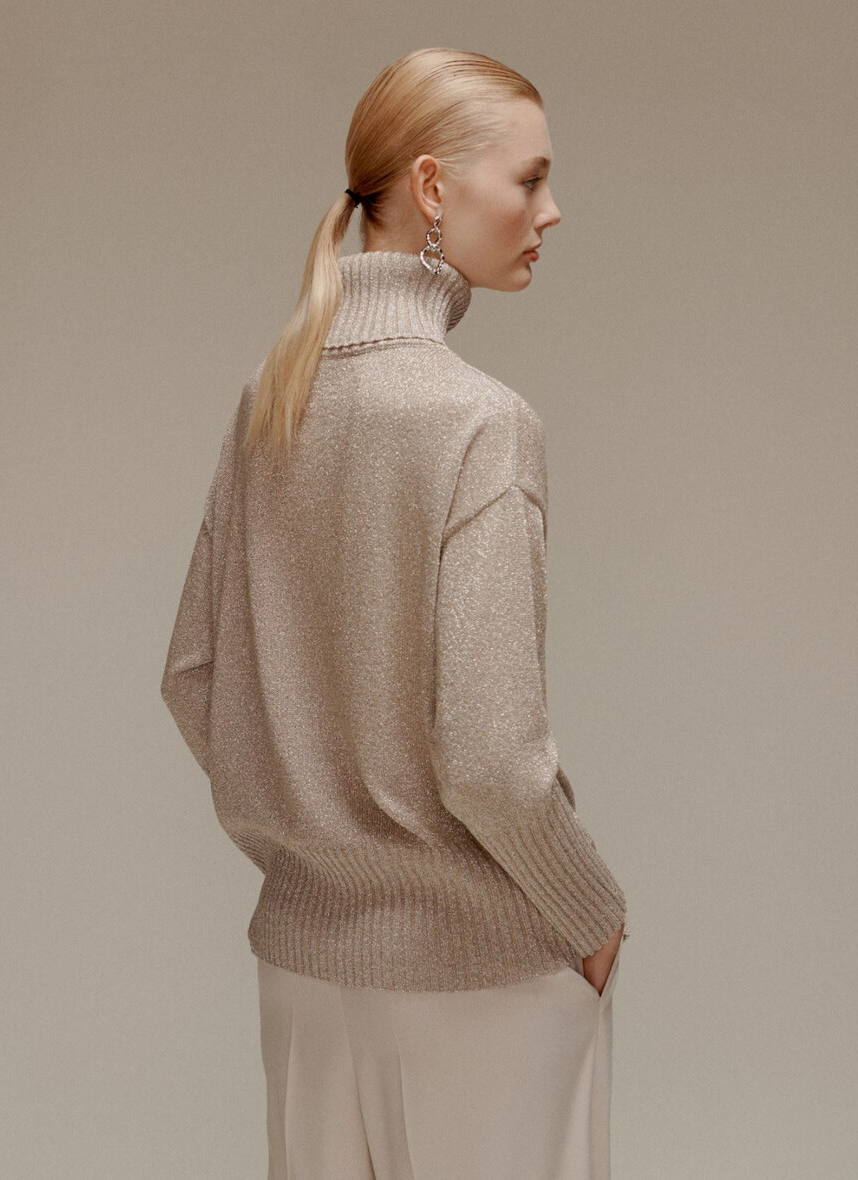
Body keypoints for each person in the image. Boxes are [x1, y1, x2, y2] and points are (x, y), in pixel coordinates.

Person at [161, 46, 628, 1180]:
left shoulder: (272, 400)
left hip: (303, 974)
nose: (551, 211)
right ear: (431, 187)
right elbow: (492, 763)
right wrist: (592, 910)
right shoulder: (478, 423)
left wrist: (315, 847)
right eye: (529, 179)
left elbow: (193, 677)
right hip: (479, 982)